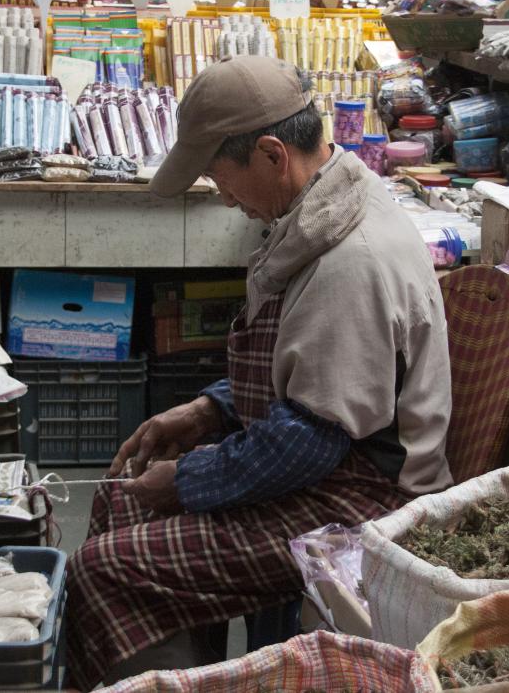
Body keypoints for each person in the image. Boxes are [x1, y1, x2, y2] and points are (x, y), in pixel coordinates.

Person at [64, 55, 454, 691]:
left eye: (223, 178)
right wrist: (208, 409)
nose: (223, 197)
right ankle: (210, 677)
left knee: (104, 569)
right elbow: (303, 370)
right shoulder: (318, 206)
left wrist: (188, 479)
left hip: (359, 498)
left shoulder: (350, 262)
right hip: (320, 456)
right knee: (119, 502)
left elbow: (308, 440)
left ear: (273, 155)